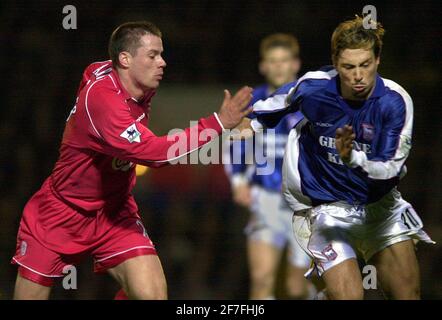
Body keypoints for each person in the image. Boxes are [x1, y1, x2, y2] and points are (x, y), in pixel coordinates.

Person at [11, 21, 253, 300]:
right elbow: (154, 153)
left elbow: (93, 68)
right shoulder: (103, 102)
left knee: (153, 296)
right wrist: (218, 123)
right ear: (125, 60)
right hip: (60, 214)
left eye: (161, 54)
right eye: (153, 56)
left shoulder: (133, 81)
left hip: (114, 212)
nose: (162, 62)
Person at [244, 16, 434, 299]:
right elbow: (260, 114)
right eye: (348, 67)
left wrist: (351, 158)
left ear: (377, 60)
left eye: (365, 65)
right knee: (350, 296)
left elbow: (390, 168)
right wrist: (225, 128)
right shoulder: (313, 88)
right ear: (335, 62)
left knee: (408, 294)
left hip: (379, 208)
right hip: (325, 210)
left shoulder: (395, 102)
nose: (358, 75)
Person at [224, 34, 313, 299]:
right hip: (267, 200)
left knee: (296, 289)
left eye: (284, 61)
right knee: (262, 280)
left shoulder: (311, 101)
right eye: (272, 61)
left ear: (295, 64)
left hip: (305, 204)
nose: (278, 67)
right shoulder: (252, 103)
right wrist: (238, 181)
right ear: (263, 66)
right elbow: (235, 143)